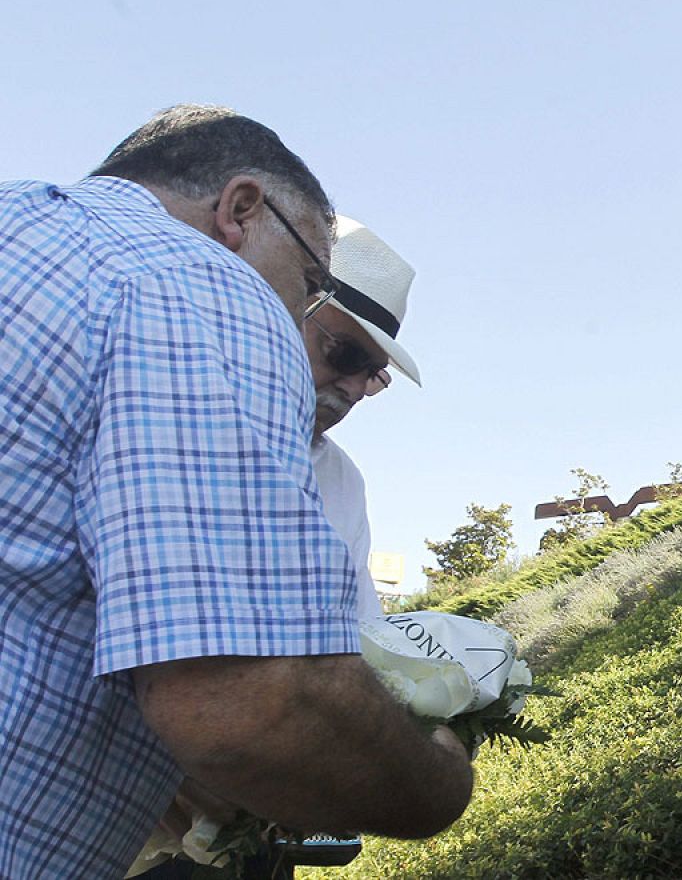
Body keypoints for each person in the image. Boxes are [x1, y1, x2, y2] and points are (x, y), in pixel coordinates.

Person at [0, 105, 472, 879]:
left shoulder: (23, 223)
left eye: (375, 374)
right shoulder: (204, 283)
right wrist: (437, 788)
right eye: (312, 287)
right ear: (241, 211)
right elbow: (243, 706)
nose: (357, 385)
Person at [306, 215, 424, 620]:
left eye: (372, 375)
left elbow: (363, 632)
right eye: (347, 356)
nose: (354, 390)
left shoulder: (341, 480)